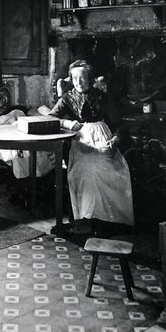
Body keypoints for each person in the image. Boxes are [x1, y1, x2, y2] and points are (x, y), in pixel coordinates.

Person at [48, 60, 134, 234]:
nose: (79, 82)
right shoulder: (67, 98)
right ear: (71, 80)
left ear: (90, 79)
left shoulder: (102, 97)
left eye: (83, 78)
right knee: (87, 173)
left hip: (102, 137)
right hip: (80, 141)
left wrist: (115, 139)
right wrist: (67, 123)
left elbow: (120, 123)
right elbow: (50, 118)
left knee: (112, 171)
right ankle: (87, 219)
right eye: (75, 78)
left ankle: (111, 220)